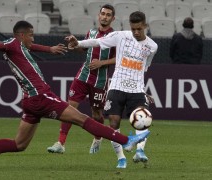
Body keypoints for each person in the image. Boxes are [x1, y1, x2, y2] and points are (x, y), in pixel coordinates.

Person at [0, 20, 150, 168]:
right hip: (41, 97)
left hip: (30, 101)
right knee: (83, 119)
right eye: (31, 35)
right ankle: (126, 141)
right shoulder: (11, 43)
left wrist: (49, 49)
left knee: (19, 144)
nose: (33, 38)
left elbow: (32, 47)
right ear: (22, 35)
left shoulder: (19, 47)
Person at [66, 11, 158, 169]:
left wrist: (144, 91)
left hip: (136, 89)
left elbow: (144, 68)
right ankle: (121, 158)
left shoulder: (152, 46)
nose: (136, 32)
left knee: (142, 119)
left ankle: (140, 151)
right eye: (133, 28)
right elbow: (97, 41)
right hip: (116, 87)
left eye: (139, 29)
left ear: (145, 26)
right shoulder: (121, 36)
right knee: (113, 122)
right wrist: (78, 43)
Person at [47, 4, 116, 154]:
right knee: (69, 108)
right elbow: (82, 49)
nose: (104, 16)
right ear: (99, 15)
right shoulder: (91, 32)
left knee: (96, 113)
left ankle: (98, 137)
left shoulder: (115, 37)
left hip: (100, 80)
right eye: (103, 13)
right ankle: (60, 143)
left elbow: (120, 58)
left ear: (113, 18)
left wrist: (102, 63)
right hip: (83, 75)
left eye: (108, 14)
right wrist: (74, 44)